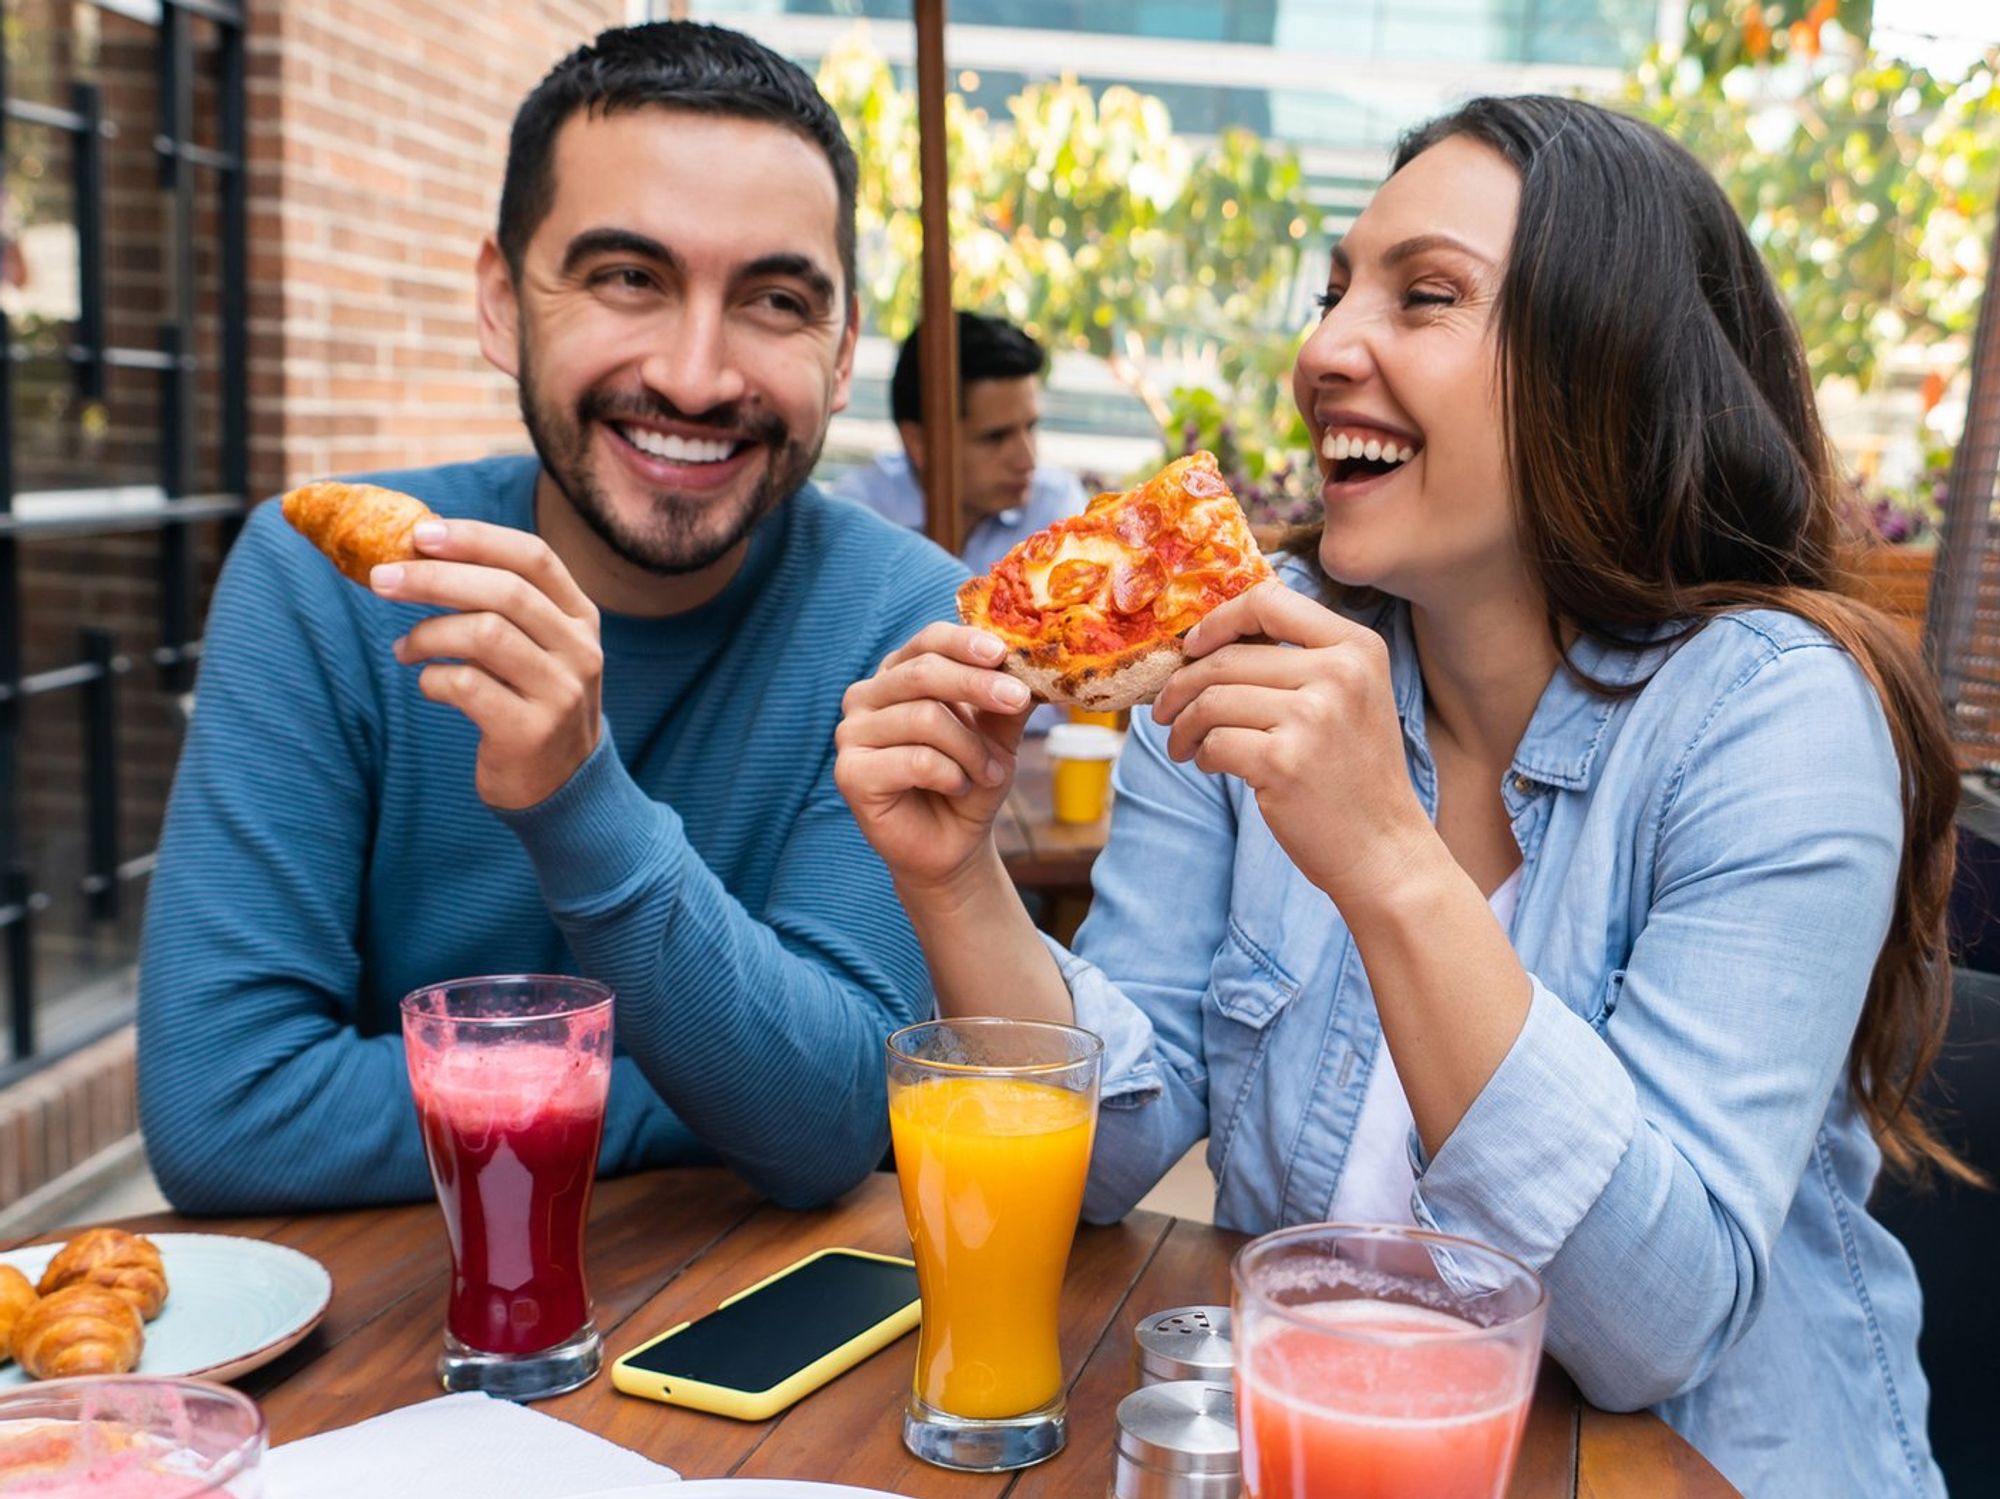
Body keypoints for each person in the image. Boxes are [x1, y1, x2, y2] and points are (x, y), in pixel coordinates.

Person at [834, 95, 1961, 1496]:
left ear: (1606, 362)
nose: (1322, 352)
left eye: (1424, 295)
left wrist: (1386, 854)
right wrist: (956, 877)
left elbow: (1652, 1325)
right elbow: (1113, 1146)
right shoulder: (1254, 647)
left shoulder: (1772, 715)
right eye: (1331, 294)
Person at [137, 22, 967, 1215]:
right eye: (627, 278)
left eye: (773, 300)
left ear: (839, 357)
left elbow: (830, 1118)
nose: (694, 375)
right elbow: (230, 1111)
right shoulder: (325, 582)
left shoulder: (898, 615)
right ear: (501, 303)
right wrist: (704, 1094)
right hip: (409, 1342)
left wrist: (579, 796)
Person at [829, 310, 1086, 575]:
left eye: (1031, 427)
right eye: (995, 437)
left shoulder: (1055, 509)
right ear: (919, 443)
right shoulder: (856, 522)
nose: (1027, 459)